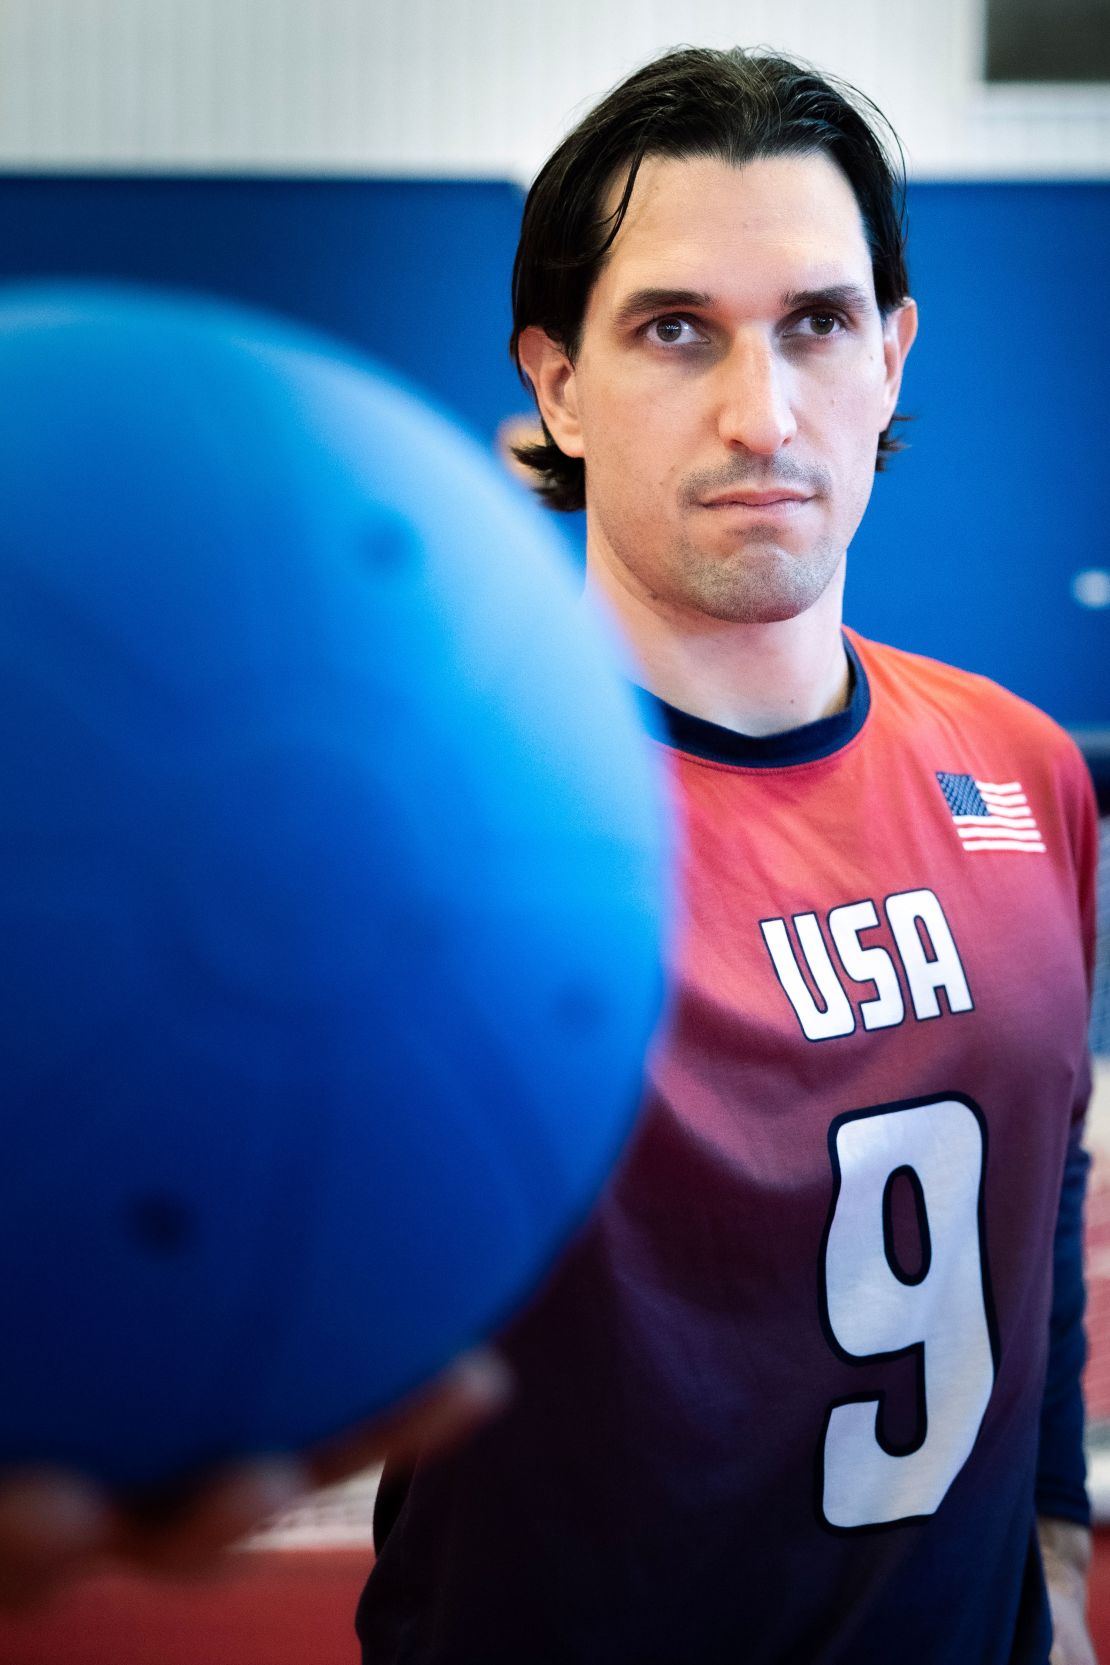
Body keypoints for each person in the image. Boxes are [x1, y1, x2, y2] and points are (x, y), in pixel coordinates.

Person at [354, 45, 1099, 1665]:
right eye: (674, 329)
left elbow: (1036, 1173)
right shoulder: (420, 838)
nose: (760, 413)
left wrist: (1054, 1543)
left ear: (891, 359)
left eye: (816, 324)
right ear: (554, 381)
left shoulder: (1026, 774)